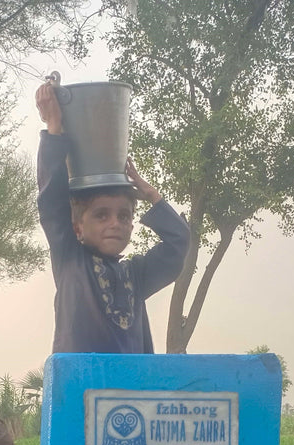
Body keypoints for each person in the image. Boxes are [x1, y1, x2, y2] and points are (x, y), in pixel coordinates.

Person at [35, 79, 190, 354]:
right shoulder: (70, 259)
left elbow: (178, 244)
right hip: (78, 392)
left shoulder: (137, 275)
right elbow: (51, 202)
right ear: (77, 227)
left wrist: (153, 196)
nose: (114, 224)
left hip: (129, 394)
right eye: (101, 215)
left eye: (123, 215)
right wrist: (54, 129)